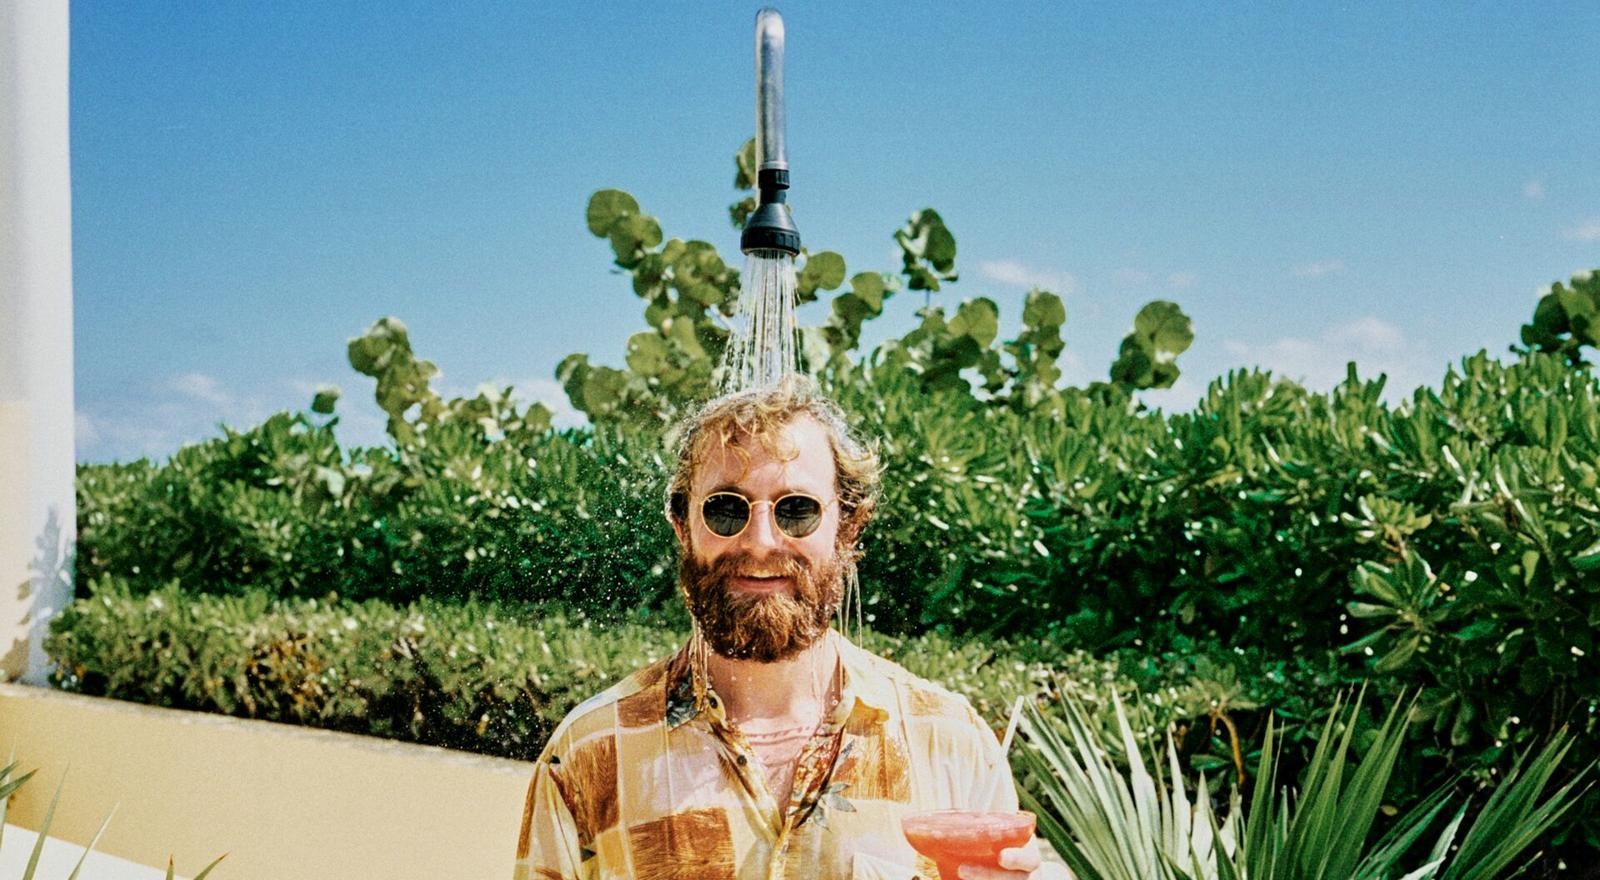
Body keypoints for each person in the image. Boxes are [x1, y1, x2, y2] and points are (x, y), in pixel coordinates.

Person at [513, 375, 1067, 880]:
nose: (760, 542)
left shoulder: (950, 743)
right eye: (726, 511)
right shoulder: (588, 755)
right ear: (683, 527)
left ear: (847, 528)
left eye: (796, 510)